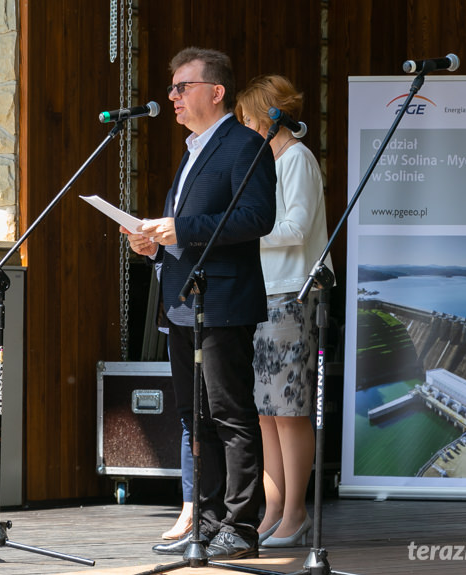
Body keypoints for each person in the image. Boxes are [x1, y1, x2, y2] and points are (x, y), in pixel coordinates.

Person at [120, 47, 276, 559]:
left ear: (216, 91)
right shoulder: (192, 150)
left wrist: (179, 228)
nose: (172, 98)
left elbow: (256, 218)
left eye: (182, 87)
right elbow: (186, 228)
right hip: (183, 300)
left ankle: (240, 525)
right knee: (195, 416)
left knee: (230, 414)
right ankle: (205, 523)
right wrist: (152, 241)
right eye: (172, 88)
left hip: (224, 300)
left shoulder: (245, 145)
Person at [234, 74, 333, 548]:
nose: (246, 130)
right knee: (265, 412)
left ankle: (295, 512)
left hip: (292, 295)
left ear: (272, 117)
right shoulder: (269, 163)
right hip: (263, 294)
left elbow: (294, 228)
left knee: (289, 411)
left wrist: (239, 233)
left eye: (249, 120)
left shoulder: (297, 159)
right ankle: (273, 508)